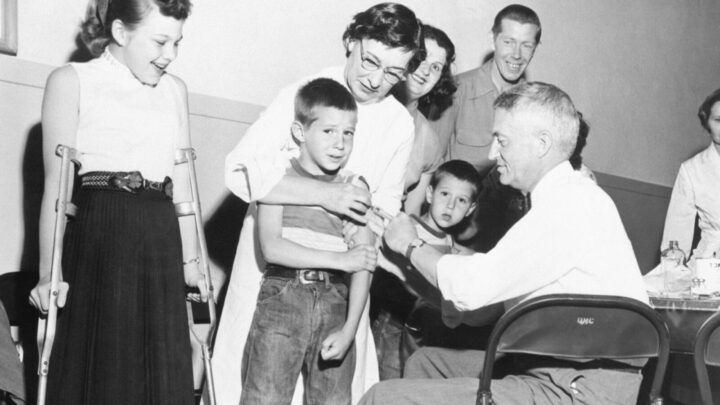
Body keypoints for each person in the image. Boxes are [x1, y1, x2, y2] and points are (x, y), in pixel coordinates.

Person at [360, 82, 649, 405]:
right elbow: (484, 310)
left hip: (578, 389)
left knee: (382, 398)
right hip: (562, 370)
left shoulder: (568, 205)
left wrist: (410, 246)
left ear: (541, 144)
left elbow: (473, 288)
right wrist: (401, 266)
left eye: (502, 140)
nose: (492, 153)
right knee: (426, 363)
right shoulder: (563, 200)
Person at [212, 3, 424, 404]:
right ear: (351, 41)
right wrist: (331, 197)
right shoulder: (305, 91)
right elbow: (241, 171)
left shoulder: (399, 123)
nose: (376, 80)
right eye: (370, 61)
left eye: (393, 73)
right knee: (259, 387)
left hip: (341, 284)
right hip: (273, 275)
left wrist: (367, 220)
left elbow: (386, 204)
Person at [27, 1, 206, 404]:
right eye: (160, 41)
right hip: (100, 237)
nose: (170, 56)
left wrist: (192, 264)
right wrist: (47, 273)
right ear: (122, 33)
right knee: (104, 371)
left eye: (177, 43)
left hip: (160, 238)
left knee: (161, 374)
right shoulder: (71, 80)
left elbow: (184, 187)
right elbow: (58, 188)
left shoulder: (175, 90)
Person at [241, 78, 376, 405]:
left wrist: (349, 330)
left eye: (348, 133)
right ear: (300, 132)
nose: (340, 143)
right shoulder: (278, 178)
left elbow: (365, 263)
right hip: (284, 295)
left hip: (336, 304)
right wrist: (341, 260)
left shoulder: (355, 185)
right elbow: (273, 247)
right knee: (265, 398)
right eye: (328, 131)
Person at [430, 4, 542, 252]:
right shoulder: (458, 90)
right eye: (509, 42)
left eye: (526, 45)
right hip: (446, 234)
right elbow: (429, 167)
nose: (516, 54)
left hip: (500, 240)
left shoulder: (534, 106)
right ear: (493, 40)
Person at [371, 160, 480, 380]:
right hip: (395, 324)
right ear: (429, 194)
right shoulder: (407, 229)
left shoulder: (452, 245)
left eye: (461, 200)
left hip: (428, 331)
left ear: (470, 209)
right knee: (390, 385)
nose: (450, 206)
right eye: (445, 194)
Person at [390, 24, 457, 216]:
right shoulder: (366, 107)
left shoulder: (430, 141)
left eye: (436, 67)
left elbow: (412, 214)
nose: (425, 70)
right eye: (421, 58)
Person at [661, 87, 720, 263]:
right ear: (706, 123)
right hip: (710, 266)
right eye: (719, 120)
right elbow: (676, 233)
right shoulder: (692, 170)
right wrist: (672, 268)